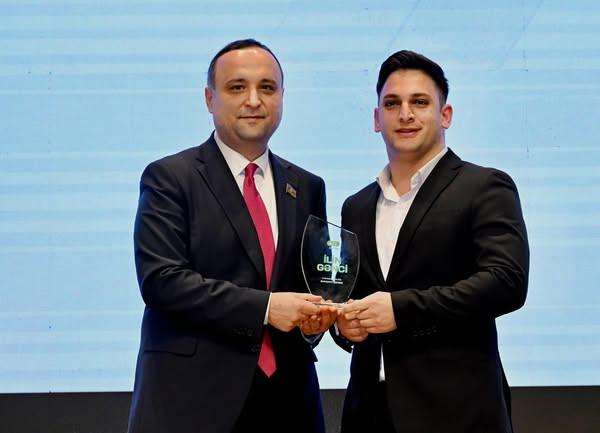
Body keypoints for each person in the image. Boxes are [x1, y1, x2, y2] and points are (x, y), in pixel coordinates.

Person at [127, 39, 336, 433]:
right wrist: (266, 308)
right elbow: (161, 281)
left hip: (290, 402)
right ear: (210, 99)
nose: (253, 100)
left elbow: (315, 284)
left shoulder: (308, 186)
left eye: (267, 88)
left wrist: (316, 321)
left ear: (282, 97)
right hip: (193, 402)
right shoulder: (170, 178)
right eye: (237, 87)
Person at [335, 50, 529, 433]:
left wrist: (400, 310)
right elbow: (351, 295)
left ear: (446, 115)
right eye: (392, 104)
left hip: (458, 411)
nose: (405, 114)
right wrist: (344, 326)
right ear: (376, 119)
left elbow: (506, 281)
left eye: (420, 102)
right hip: (369, 413)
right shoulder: (355, 206)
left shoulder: (484, 187)